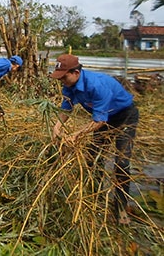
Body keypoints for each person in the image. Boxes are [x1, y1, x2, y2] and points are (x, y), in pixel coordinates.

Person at [50, 54, 138, 225]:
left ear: (76, 72)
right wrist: (57, 126)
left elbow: (99, 121)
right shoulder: (69, 85)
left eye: (64, 76)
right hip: (104, 118)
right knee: (93, 158)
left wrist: (75, 135)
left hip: (124, 116)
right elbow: (66, 108)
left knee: (121, 162)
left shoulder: (97, 85)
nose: (62, 81)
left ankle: (120, 207)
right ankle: (94, 197)